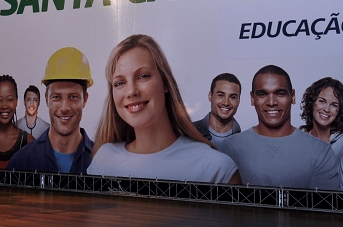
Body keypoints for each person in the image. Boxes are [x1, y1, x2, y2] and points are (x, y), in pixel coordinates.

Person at [87, 34, 241, 184]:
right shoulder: (103, 160)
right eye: (120, 83)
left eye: (143, 76)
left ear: (165, 83)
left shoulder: (216, 169)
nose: (131, 91)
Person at [220, 65, 340, 190]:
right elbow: (226, 206)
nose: (271, 102)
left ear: (293, 96)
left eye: (280, 93)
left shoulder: (320, 152)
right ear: (252, 98)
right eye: (262, 94)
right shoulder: (231, 147)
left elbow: (324, 207)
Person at [7, 47, 94, 174]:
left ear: (85, 99)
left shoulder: (100, 161)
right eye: (57, 97)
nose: (64, 108)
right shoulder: (21, 162)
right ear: (46, 98)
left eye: (73, 97)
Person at [299, 77, 343, 163]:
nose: (326, 109)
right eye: (322, 101)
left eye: (334, 105)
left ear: (340, 110)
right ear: (312, 103)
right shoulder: (295, 140)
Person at [193, 73, 242, 149]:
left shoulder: (243, 142)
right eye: (220, 95)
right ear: (210, 96)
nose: (226, 103)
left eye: (232, 97)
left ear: (239, 101)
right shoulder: (190, 133)